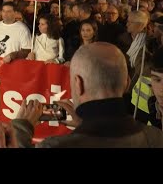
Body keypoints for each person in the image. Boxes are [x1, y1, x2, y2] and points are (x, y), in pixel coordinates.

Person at [12, 42, 163, 148]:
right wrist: (84, 126)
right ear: (127, 82)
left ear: (78, 84)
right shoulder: (156, 138)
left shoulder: (55, 145)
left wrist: (20, 129)